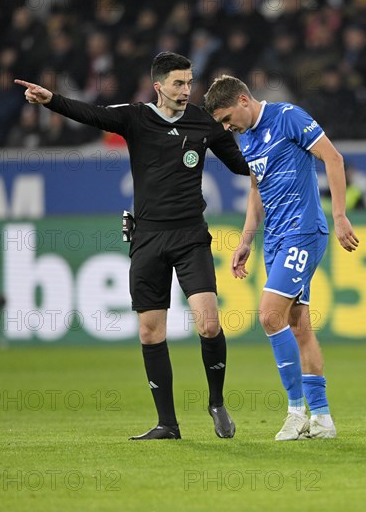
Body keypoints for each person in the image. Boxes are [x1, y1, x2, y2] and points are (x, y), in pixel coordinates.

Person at [15, 52, 250, 440]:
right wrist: (51, 99)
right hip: (148, 237)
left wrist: (282, 147)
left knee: (208, 323)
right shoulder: (136, 117)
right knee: (149, 332)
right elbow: (91, 114)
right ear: (158, 86)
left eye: (189, 82)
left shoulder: (204, 123)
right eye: (178, 83)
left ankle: (216, 401)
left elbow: (241, 164)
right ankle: (167, 424)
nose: (186, 90)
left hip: (191, 235)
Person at [204, 75, 359, 440]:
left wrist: (338, 216)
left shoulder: (288, 116)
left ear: (243, 100)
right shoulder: (247, 138)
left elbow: (333, 158)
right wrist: (246, 240)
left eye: (227, 118)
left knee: (270, 315)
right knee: (299, 324)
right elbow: (257, 188)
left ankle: (295, 412)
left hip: (303, 232)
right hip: (274, 239)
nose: (227, 127)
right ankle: (322, 419)